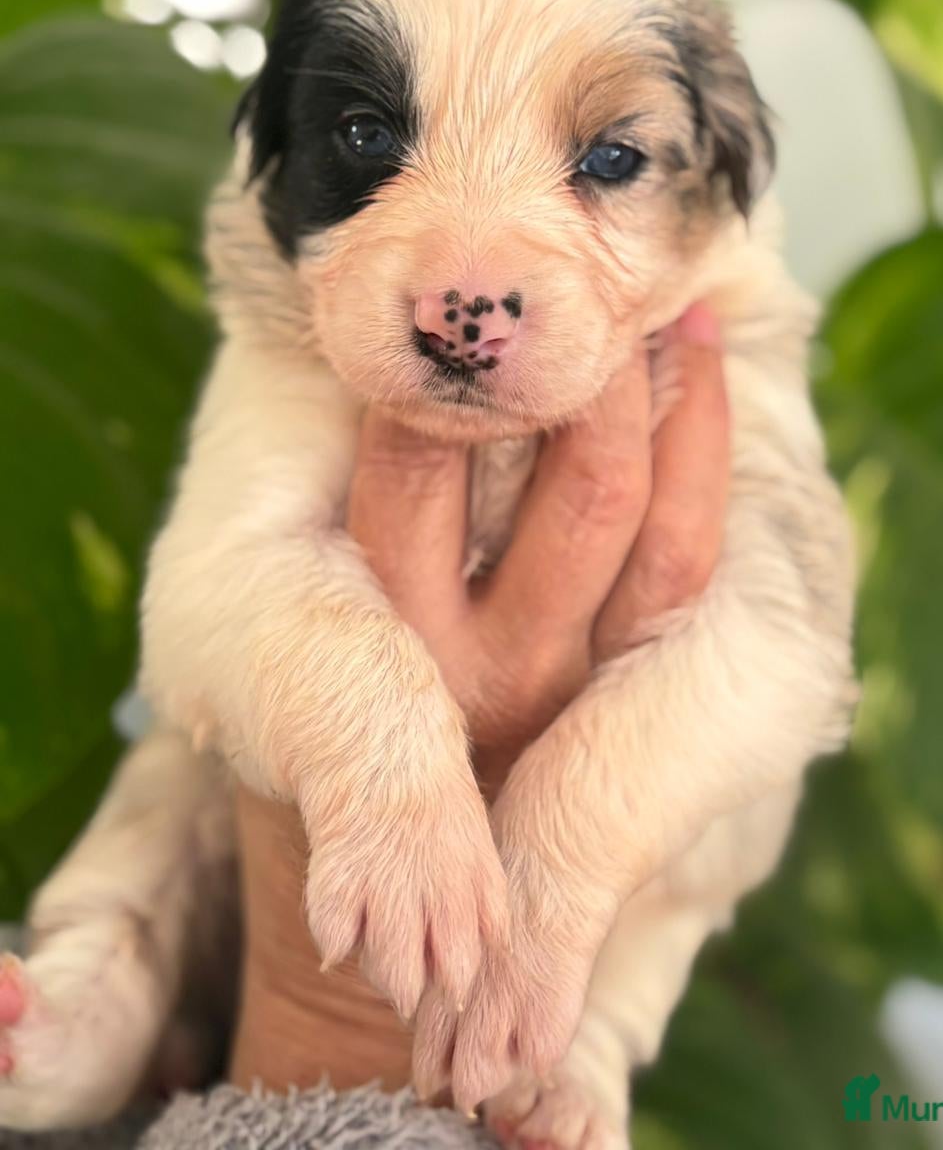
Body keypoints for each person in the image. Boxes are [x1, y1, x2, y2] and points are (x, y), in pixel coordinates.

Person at [229, 303, 731, 1096]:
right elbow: (217, 596)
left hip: (606, 956)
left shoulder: (738, 337)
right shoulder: (295, 328)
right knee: (167, 787)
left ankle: (590, 1055)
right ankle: (109, 971)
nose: (465, 310)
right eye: (382, 164)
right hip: (246, 933)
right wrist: (342, 1011)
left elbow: (772, 669)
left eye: (608, 166)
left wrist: (559, 864)